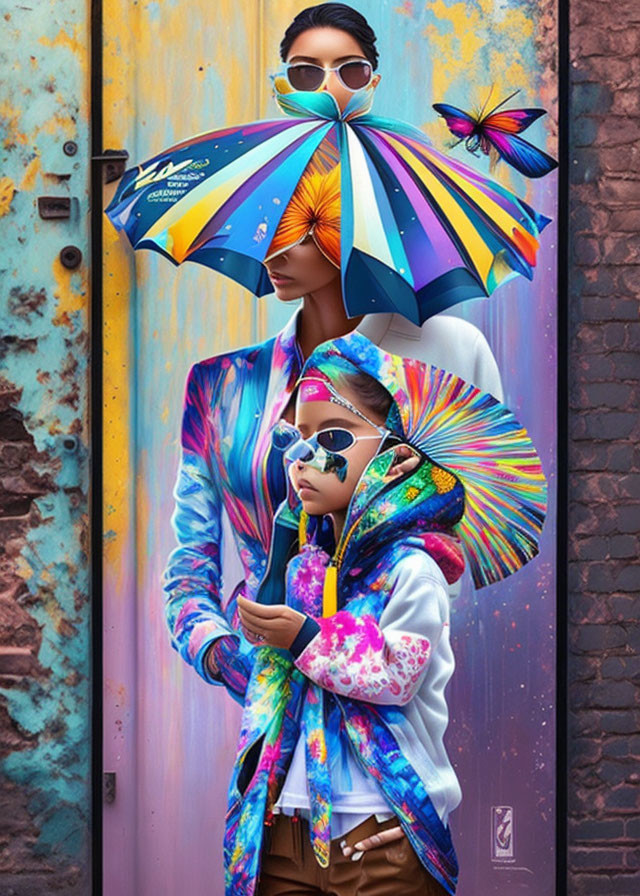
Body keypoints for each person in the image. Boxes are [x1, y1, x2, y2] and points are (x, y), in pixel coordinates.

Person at [163, 0, 503, 875]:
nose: (273, 241)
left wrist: (353, 680)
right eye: (266, 218)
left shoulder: (445, 358)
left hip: (387, 760)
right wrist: (255, 666)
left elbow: (450, 558)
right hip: (271, 762)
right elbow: (188, 578)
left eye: (298, 218)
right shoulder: (224, 388)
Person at [219, 329, 544, 896]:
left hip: (378, 830)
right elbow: (264, 682)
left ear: (393, 458)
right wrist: (279, 558)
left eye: (333, 436)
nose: (303, 459)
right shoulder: (303, 567)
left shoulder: (411, 570)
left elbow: (395, 674)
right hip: (287, 830)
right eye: (296, 438)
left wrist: (304, 637)